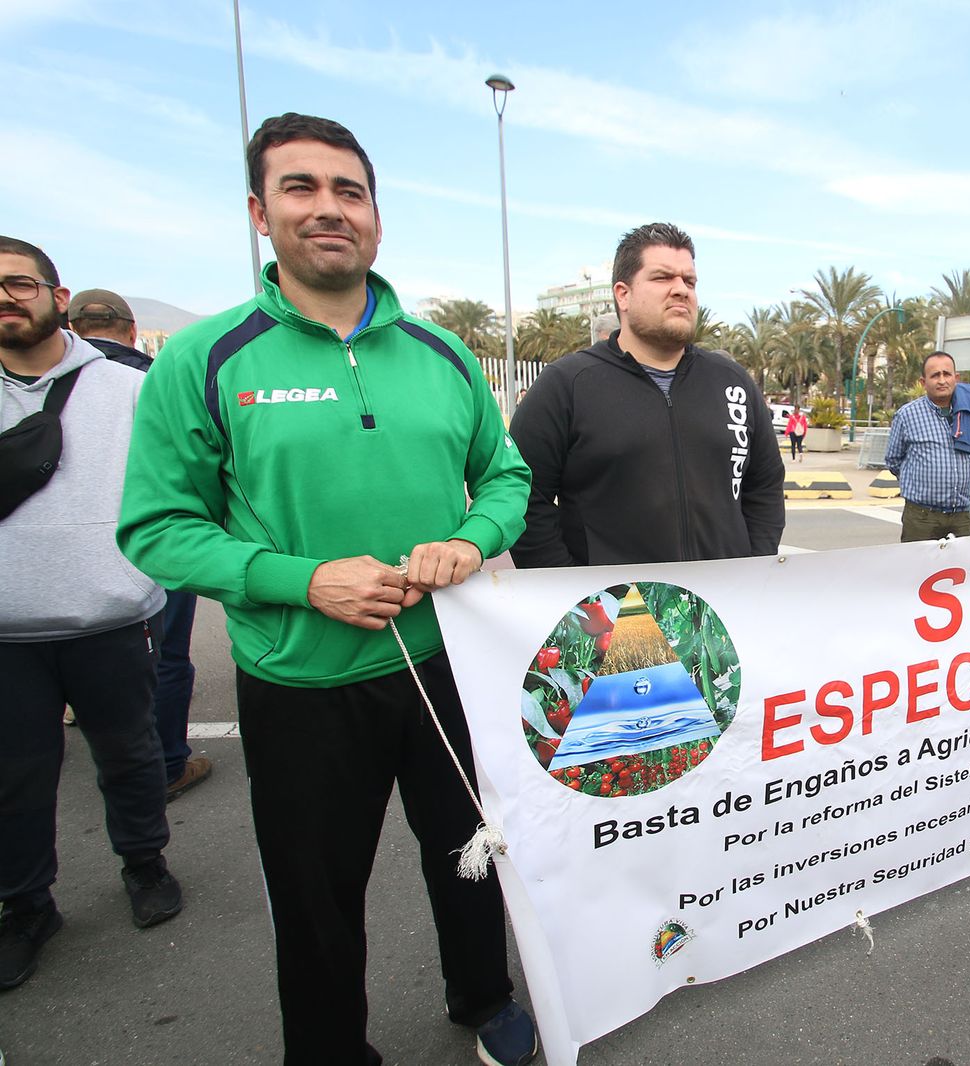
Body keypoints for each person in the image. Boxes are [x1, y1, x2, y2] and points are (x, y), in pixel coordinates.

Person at [116, 114, 538, 1066]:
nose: (329, 209)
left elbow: (506, 479)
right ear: (261, 213)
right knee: (315, 894)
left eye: (350, 191)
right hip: (299, 683)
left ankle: (485, 998)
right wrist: (304, 582)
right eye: (301, 188)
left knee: (472, 858)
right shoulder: (206, 358)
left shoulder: (443, 355)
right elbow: (156, 529)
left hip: (445, 666)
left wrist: (471, 542)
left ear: (377, 220)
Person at [0, 237, 182, 993]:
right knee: (15, 775)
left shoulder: (125, 388)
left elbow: (175, 484)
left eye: (19, 284)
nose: (7, 299)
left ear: (56, 291)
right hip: (8, 631)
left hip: (107, 617)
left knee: (129, 752)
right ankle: (26, 902)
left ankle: (144, 862)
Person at [510, 223, 784, 568]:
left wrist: (753, 565)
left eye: (689, 281)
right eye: (662, 278)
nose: (681, 290)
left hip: (723, 606)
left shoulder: (732, 382)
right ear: (623, 294)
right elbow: (522, 495)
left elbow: (765, 486)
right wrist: (573, 590)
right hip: (619, 612)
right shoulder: (567, 384)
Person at [68, 289, 211, 801]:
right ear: (131, 331)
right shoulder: (144, 381)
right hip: (146, 564)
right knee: (166, 659)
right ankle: (168, 763)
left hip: (37, 577)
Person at [885, 351, 970, 542]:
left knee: (958, 570)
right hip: (922, 518)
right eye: (935, 375)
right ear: (923, 382)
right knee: (917, 570)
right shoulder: (907, 415)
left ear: (956, 378)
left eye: (946, 374)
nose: (941, 380)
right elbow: (893, 460)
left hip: (960, 517)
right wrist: (919, 482)